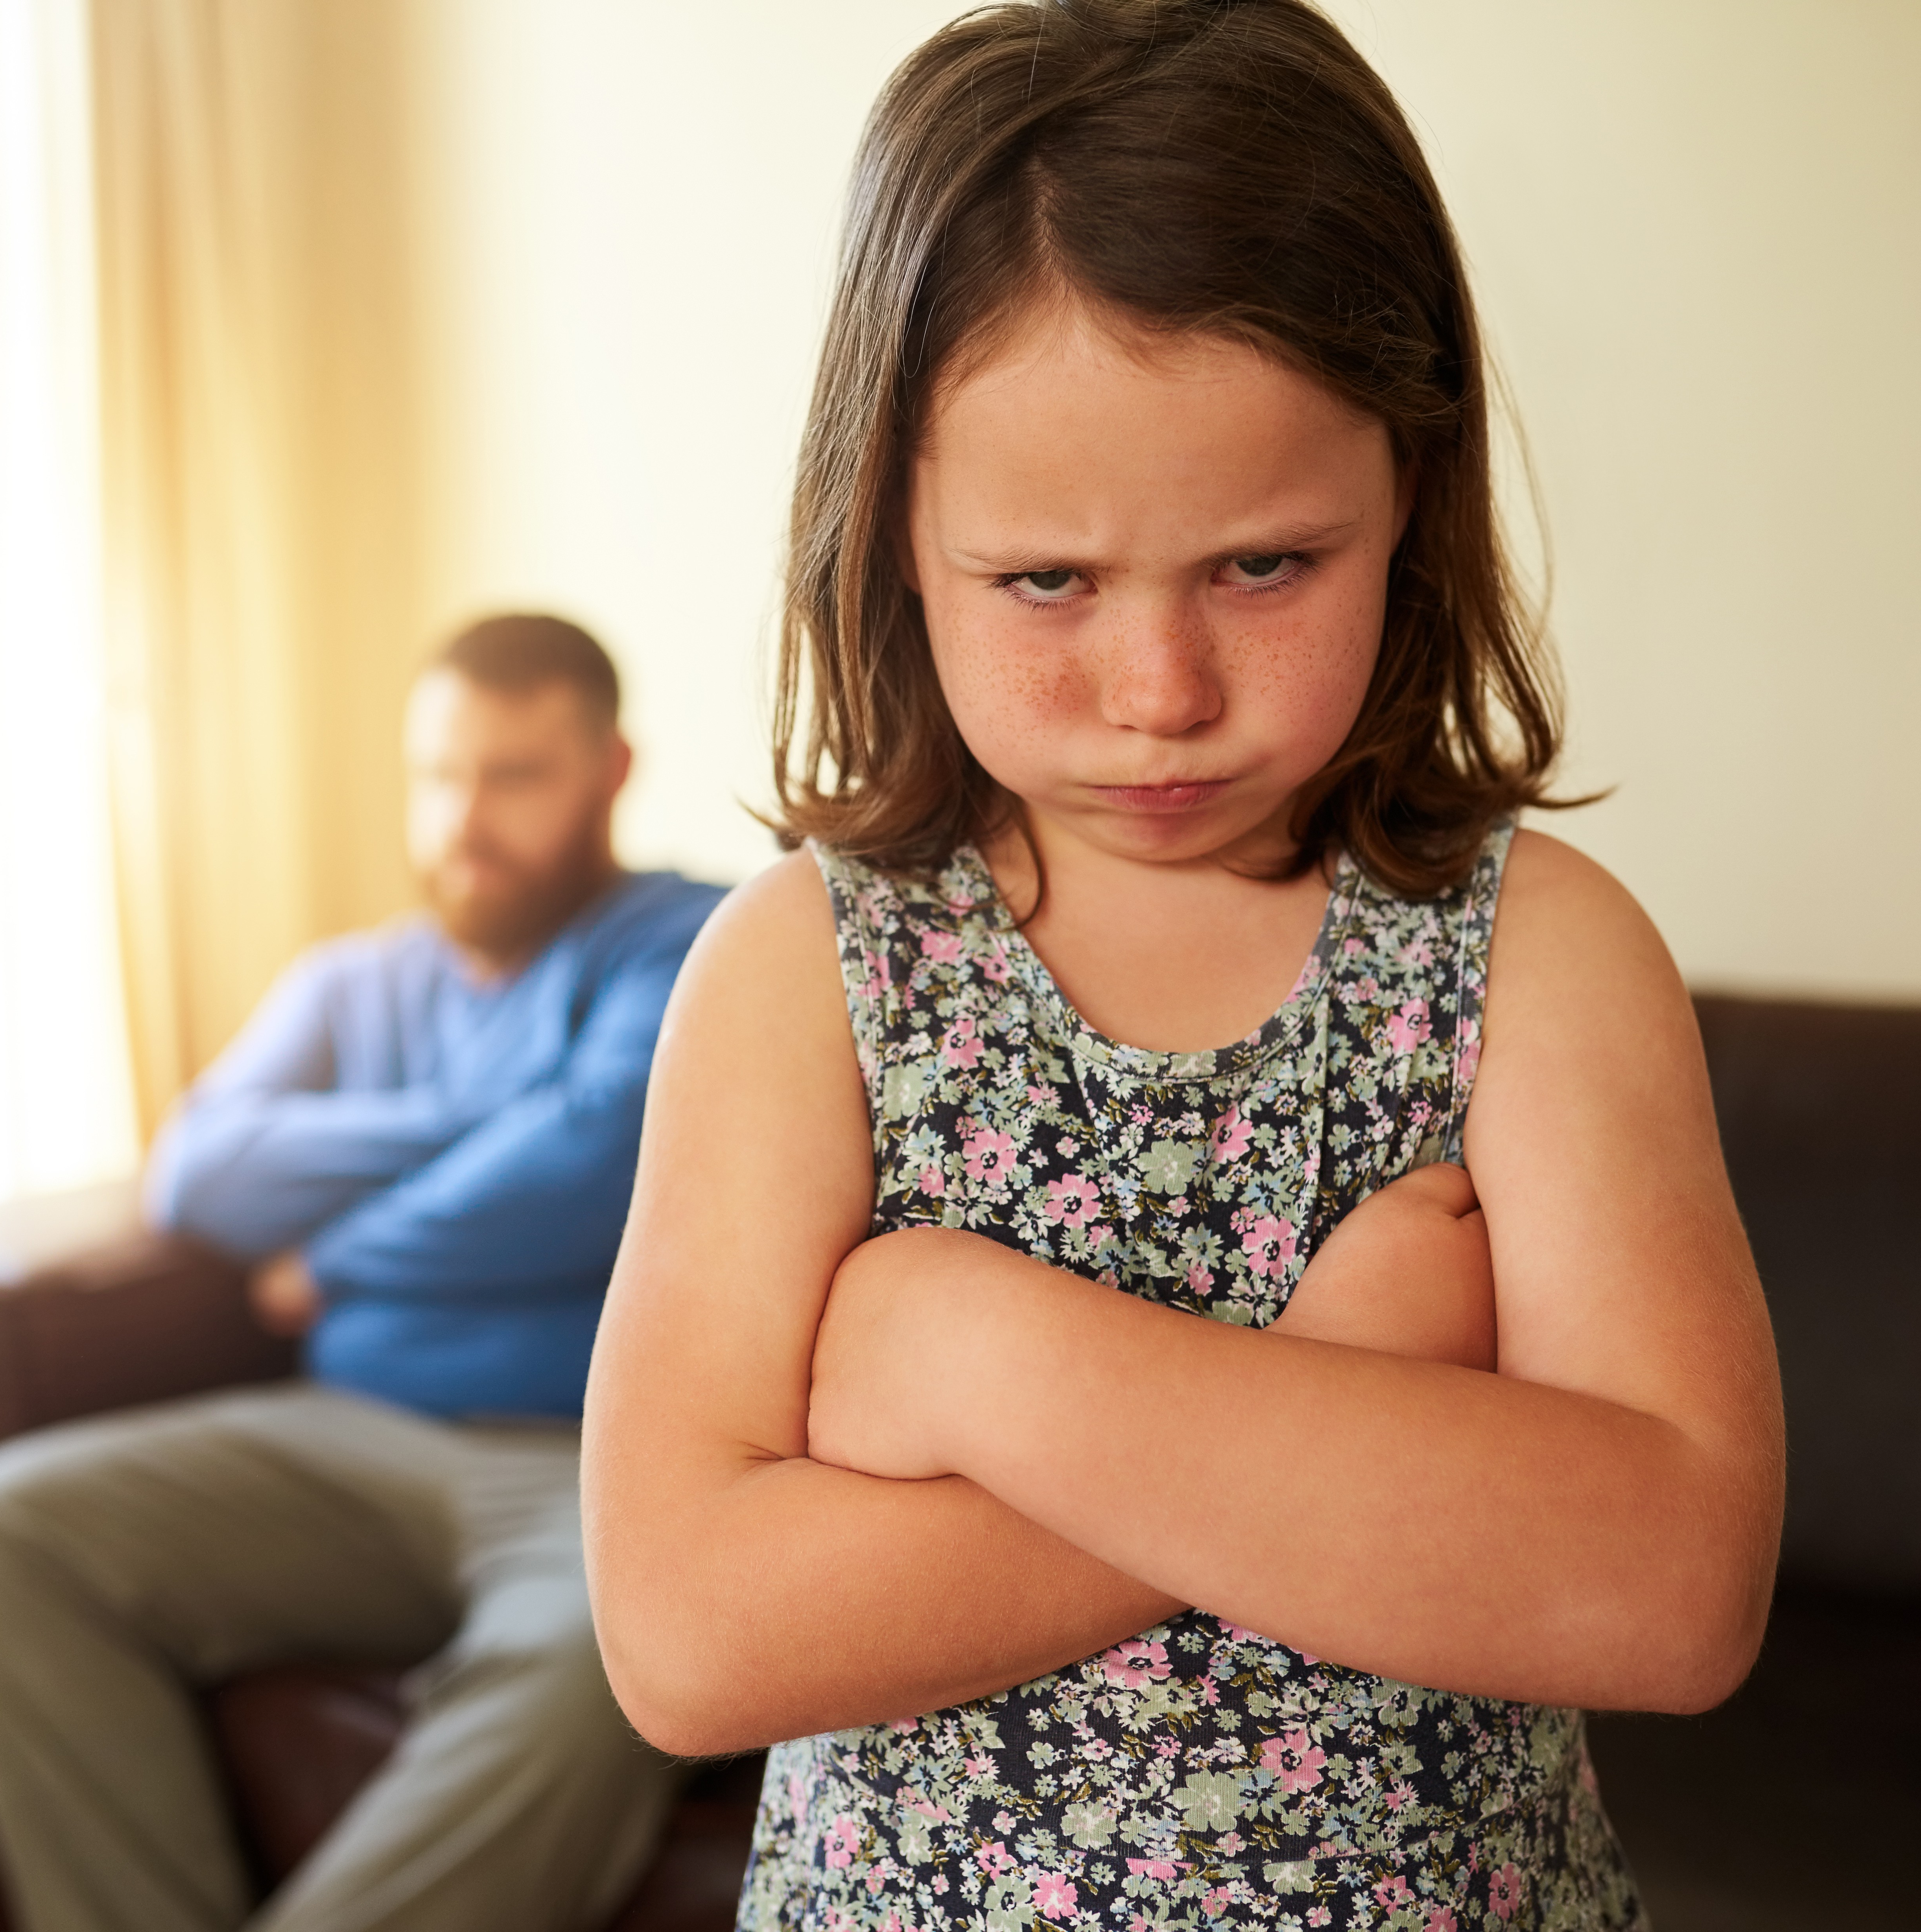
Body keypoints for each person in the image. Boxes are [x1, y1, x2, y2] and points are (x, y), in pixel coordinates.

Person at [581, 5, 1783, 1928]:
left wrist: (986, 1360)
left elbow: (1670, 1586)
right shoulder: (802, 974)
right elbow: (687, 1636)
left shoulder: (1536, 956)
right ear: (893, 527)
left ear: (1411, 491)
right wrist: (1330, 1392)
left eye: (1261, 566)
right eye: (1044, 580)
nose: (1159, 697)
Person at [0, 615, 725, 1932]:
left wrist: (342, 1254)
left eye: (515, 775)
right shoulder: (351, 985)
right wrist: (497, 1121)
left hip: (589, 1473)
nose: (466, 817)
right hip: (342, 1441)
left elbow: (587, 1170)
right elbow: (203, 1172)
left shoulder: (685, 945)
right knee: (7, 1530)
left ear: (610, 769)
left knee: (612, 1655)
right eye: (438, 775)